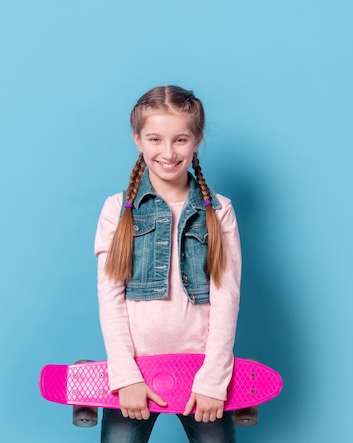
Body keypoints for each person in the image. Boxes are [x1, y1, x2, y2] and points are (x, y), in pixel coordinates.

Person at [95, 85, 242, 442]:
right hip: (135, 374)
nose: (168, 152)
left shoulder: (219, 212)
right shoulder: (117, 210)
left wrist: (212, 380)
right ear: (138, 140)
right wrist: (126, 377)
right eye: (155, 139)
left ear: (197, 140)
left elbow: (227, 299)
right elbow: (110, 299)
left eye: (180, 140)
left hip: (201, 376)